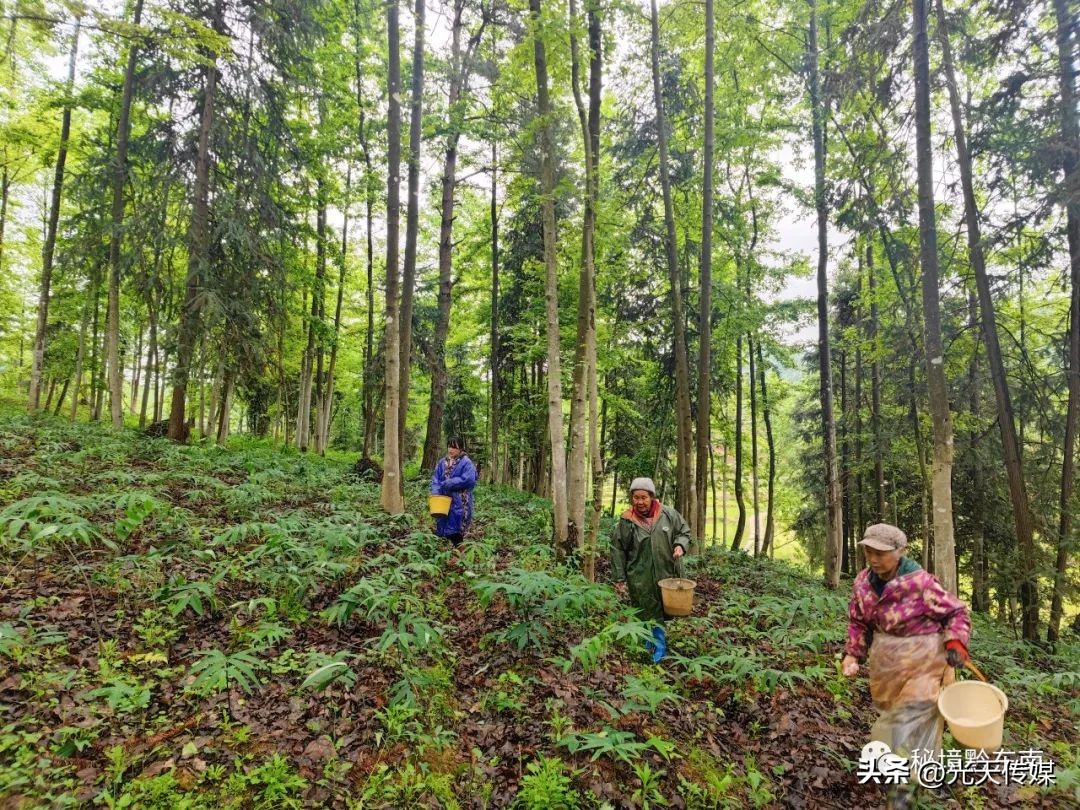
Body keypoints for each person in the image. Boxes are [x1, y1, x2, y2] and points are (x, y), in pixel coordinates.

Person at [841, 523, 971, 794]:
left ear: (900, 551)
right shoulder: (863, 582)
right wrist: (853, 654)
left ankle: (904, 782)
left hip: (925, 658)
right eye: (869, 552)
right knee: (893, 712)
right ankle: (923, 772)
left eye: (882, 553)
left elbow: (956, 612)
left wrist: (956, 641)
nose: (874, 559)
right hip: (886, 661)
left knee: (913, 713)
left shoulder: (921, 583)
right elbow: (858, 621)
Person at [610, 477, 690, 662]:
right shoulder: (627, 520)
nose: (640, 502)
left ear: (652, 497)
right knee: (645, 610)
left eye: (644, 497)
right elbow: (617, 549)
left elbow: (684, 532)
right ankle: (649, 648)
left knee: (663, 611)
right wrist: (619, 578)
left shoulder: (668, 514)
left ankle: (658, 646)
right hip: (639, 576)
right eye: (636, 497)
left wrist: (680, 545)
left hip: (666, 573)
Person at [430, 437, 477, 547]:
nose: (451, 450)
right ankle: (444, 550)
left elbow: (469, 479)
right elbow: (436, 479)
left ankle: (458, 551)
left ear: (460, 449)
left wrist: (450, 483)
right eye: (449, 446)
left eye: (454, 447)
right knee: (442, 520)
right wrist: (436, 492)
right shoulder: (442, 462)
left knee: (457, 523)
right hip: (443, 498)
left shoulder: (466, 463)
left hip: (460, 499)